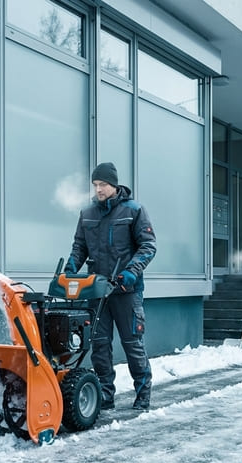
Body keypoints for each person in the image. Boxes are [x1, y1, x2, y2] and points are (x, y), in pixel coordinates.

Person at [64, 162, 156, 411]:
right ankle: (106, 394)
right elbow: (79, 246)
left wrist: (131, 272)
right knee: (100, 345)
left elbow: (148, 247)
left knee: (132, 343)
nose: (98, 189)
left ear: (114, 184)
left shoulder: (134, 211)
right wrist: (72, 266)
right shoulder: (88, 213)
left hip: (126, 290)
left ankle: (143, 393)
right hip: (97, 290)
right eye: (95, 185)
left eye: (102, 184)